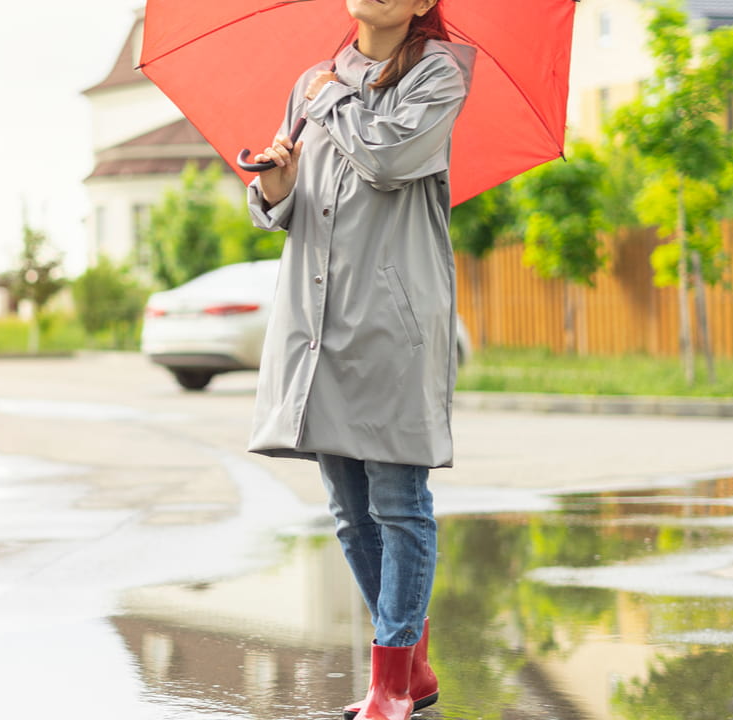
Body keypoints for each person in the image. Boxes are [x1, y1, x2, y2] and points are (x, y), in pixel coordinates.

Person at [244, 1, 474, 719]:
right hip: (318, 321)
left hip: (391, 318)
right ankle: (411, 665)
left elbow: (387, 157)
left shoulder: (441, 73)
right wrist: (274, 182)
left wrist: (330, 100)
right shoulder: (312, 81)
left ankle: (390, 684)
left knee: (400, 504)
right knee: (349, 510)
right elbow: (285, 203)